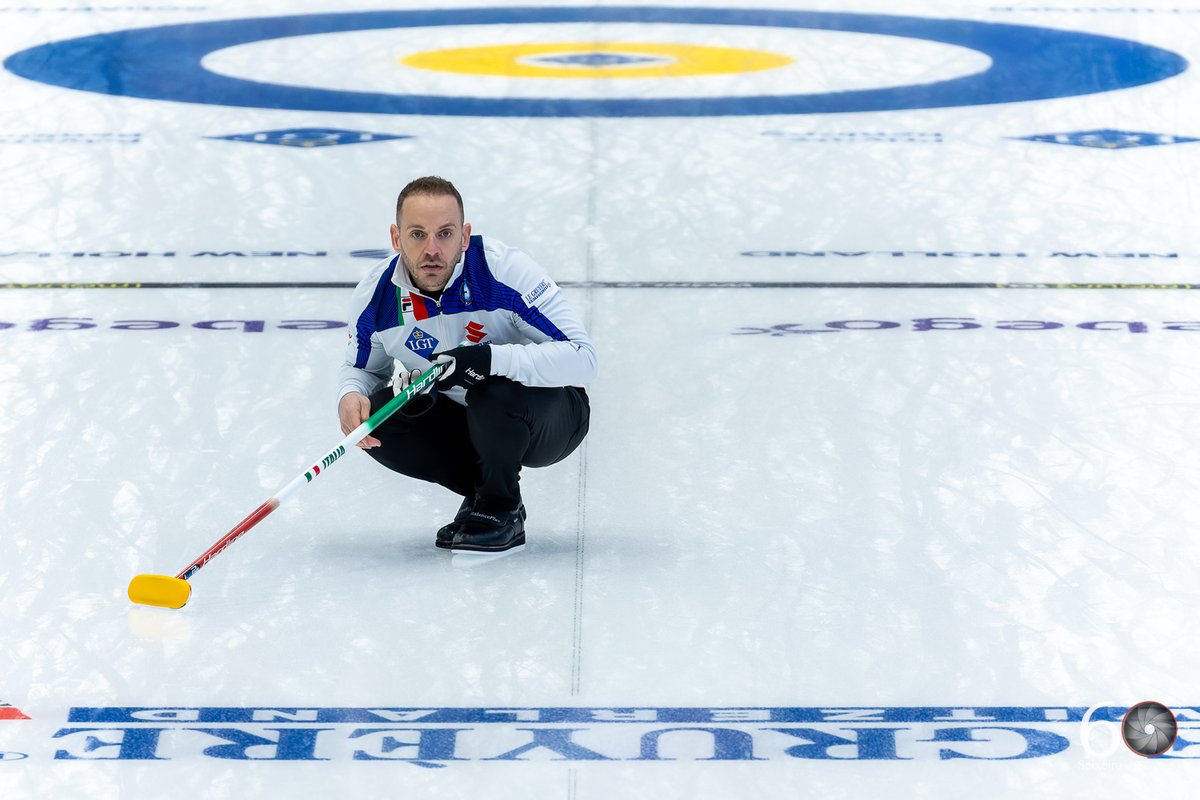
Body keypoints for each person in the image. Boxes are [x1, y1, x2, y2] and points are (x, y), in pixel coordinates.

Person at [336, 176, 596, 553]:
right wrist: (350, 395)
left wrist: (491, 358)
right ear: (396, 238)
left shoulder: (505, 272)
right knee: (380, 415)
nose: (432, 250)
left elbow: (583, 358)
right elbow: (361, 370)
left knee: (491, 392)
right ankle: (485, 492)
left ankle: (500, 508)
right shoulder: (377, 297)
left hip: (546, 415)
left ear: (465, 235)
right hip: (466, 422)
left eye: (445, 234)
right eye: (417, 235)